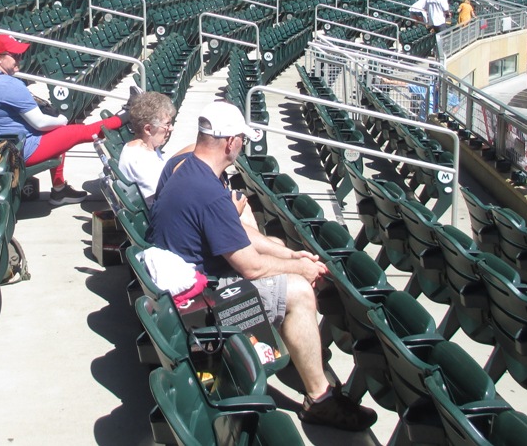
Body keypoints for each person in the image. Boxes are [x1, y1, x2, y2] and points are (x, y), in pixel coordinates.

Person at [146, 101, 378, 432]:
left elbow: (237, 236)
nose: (242, 145)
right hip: (200, 311)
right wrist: (302, 271)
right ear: (230, 143)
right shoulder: (209, 193)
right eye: (241, 139)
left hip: (180, 294)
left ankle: (308, 360)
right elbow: (252, 268)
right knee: (297, 291)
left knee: (288, 265)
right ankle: (320, 400)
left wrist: (294, 258)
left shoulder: (183, 166)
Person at [0, 34, 136, 206]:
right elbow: (40, 123)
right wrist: (62, 120)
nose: (20, 59)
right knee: (79, 131)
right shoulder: (6, 84)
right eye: (15, 55)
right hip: (20, 149)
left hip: (12, 144)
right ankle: (127, 115)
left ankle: (59, 191)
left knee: (60, 134)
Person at [117, 92, 177, 204]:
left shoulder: (149, 147)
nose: (171, 128)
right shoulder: (139, 158)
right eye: (167, 124)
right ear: (148, 129)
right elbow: (162, 196)